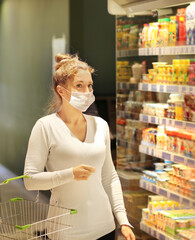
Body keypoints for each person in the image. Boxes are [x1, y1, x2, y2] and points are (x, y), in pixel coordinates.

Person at [24, 54, 135, 240]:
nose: (87, 91)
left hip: (105, 228)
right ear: (61, 90)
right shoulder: (45, 126)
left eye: (90, 85)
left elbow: (110, 176)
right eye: (79, 86)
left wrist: (122, 220)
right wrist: (70, 174)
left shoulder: (101, 125)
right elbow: (30, 180)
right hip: (65, 232)